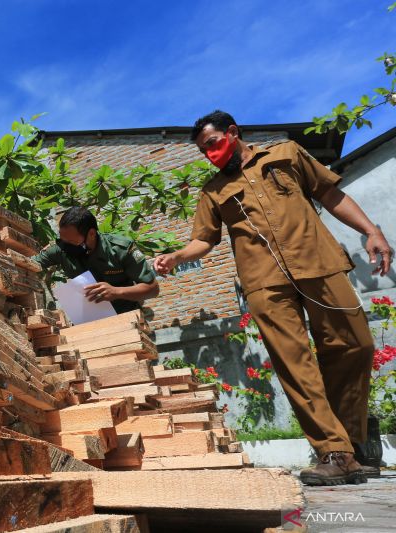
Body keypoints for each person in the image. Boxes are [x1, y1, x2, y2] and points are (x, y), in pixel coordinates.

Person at [153, 110, 392, 486]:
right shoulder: (212, 191)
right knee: (295, 364)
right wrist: (178, 256)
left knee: (355, 345)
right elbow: (204, 239)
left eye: (213, 144)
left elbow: (330, 193)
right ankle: (335, 452)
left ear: (233, 132)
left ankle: (351, 443)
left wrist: (370, 231)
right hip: (265, 283)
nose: (209, 154)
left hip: (320, 263)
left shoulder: (287, 154)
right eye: (203, 151)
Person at [34, 206, 159, 313]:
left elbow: (152, 289)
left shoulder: (120, 249)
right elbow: (29, 263)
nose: (66, 246)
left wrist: (116, 292)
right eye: (62, 240)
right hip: (88, 320)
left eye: (72, 242)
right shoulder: (60, 250)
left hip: (126, 316)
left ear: (92, 234)